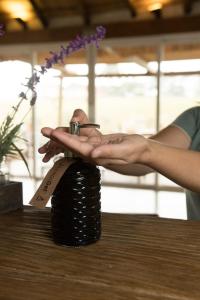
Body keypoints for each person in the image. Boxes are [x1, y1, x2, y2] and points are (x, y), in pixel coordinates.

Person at [38, 106, 200, 220]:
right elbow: (143, 160)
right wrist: (98, 144)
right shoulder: (195, 118)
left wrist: (146, 150)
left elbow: (149, 152)